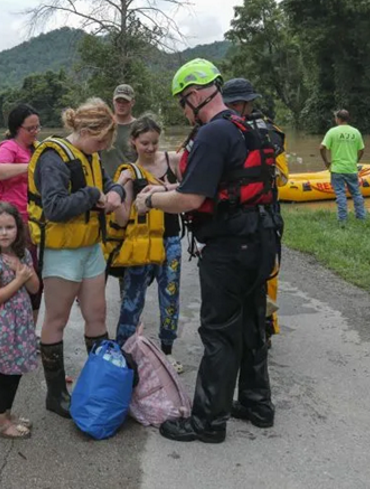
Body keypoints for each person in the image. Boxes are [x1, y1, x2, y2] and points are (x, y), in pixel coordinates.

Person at [135, 59, 280, 443]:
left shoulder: (213, 133)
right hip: (261, 238)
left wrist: (149, 202)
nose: (184, 112)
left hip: (231, 246)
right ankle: (256, 403)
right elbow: (218, 181)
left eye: (183, 104)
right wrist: (162, 190)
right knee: (251, 325)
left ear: (195, 96)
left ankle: (208, 422)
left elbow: (191, 198)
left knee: (219, 331)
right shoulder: (243, 125)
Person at [27, 98, 125, 418]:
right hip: (62, 252)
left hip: (91, 248)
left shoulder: (91, 154)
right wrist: (92, 196)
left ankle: (99, 384)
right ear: (83, 129)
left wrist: (115, 194)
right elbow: (54, 207)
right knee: (57, 319)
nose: (102, 148)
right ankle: (56, 395)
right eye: (99, 141)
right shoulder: (54, 158)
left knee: (97, 314)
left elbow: (107, 183)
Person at [111, 116, 184, 373]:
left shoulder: (173, 160)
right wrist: (112, 201)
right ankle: (124, 353)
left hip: (171, 239)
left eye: (154, 142)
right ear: (133, 142)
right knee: (132, 299)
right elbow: (122, 214)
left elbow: (191, 189)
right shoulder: (129, 172)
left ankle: (167, 351)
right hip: (141, 243)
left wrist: (170, 187)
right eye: (144, 143)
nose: (151, 148)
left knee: (170, 296)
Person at [222, 78, 287, 344]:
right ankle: (264, 325)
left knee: (228, 273)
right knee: (266, 270)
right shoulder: (271, 131)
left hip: (228, 216)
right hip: (265, 214)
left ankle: (233, 325)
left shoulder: (215, 129)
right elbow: (282, 178)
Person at [0, 202, 40, 439]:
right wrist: (18, 278)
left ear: (18, 228)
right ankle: (1, 422)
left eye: (10, 227)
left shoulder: (22, 254)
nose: (4, 233)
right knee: (1, 374)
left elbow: (34, 288)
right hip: (1, 327)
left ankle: (8, 414)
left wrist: (24, 270)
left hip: (20, 325)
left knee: (15, 371)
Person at [0, 105, 42, 322]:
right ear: (17, 128)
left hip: (35, 220)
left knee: (34, 274)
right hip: (14, 222)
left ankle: (31, 329)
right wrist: (28, 167)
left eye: (38, 127)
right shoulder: (9, 147)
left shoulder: (36, 148)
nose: (35, 131)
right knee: (13, 274)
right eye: (31, 128)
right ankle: (8, 325)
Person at [319, 109, 366, 223]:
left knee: (340, 194)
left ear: (338, 119)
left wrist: (326, 161)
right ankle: (361, 218)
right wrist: (356, 160)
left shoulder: (332, 132)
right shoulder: (355, 132)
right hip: (351, 168)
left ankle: (342, 220)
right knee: (356, 193)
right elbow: (361, 149)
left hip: (337, 169)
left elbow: (321, 147)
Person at [100, 84, 137, 178]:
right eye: (118, 101)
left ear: (132, 103)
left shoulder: (139, 127)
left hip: (130, 181)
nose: (121, 105)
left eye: (125, 101)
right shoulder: (103, 125)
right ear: (113, 101)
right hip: (105, 183)